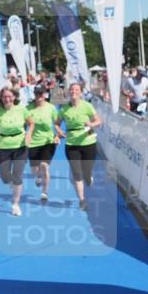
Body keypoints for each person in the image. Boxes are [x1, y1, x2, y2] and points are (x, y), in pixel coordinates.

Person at [58, 82, 101, 211]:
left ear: (81, 92)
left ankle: (88, 176)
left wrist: (91, 124)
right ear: (69, 92)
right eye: (71, 89)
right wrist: (58, 131)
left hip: (88, 142)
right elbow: (56, 123)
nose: (74, 92)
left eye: (77, 90)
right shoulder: (64, 109)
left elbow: (99, 120)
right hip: (72, 144)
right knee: (77, 173)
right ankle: (82, 200)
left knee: (86, 174)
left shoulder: (87, 106)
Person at [0, 86, 28, 216]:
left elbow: (31, 123)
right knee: (5, 178)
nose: (7, 99)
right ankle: (11, 181)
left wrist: (29, 135)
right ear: (1, 98)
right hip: (3, 146)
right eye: (4, 96)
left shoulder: (22, 109)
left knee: (17, 176)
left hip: (20, 145)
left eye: (9, 96)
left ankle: (15, 204)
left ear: (14, 97)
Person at [24, 85, 59, 203]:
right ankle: (38, 176)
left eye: (41, 93)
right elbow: (23, 124)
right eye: (37, 93)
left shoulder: (51, 108)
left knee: (44, 166)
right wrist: (24, 135)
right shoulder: (28, 108)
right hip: (33, 143)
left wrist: (57, 136)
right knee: (35, 170)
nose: (39, 96)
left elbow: (57, 123)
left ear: (45, 95)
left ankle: (44, 192)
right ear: (34, 95)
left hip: (48, 141)